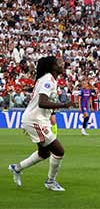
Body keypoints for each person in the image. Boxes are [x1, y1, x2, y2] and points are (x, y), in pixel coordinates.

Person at [8, 56, 71, 191]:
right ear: (52, 66)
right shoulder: (48, 80)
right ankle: (50, 181)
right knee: (59, 151)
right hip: (35, 120)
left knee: (44, 153)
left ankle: (17, 168)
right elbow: (42, 102)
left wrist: (52, 113)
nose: (62, 64)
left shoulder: (49, 79)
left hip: (38, 119)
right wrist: (62, 105)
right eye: (59, 63)